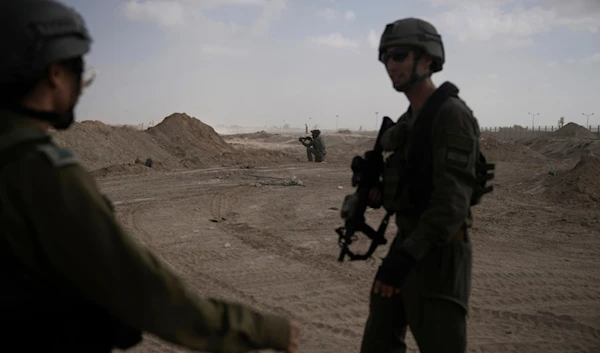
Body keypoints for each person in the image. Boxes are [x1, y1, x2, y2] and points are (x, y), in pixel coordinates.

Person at [0, 1, 299, 352]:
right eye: (79, 74)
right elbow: (142, 290)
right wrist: (262, 329)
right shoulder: (42, 174)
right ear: (54, 73)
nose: (80, 89)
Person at [359, 17, 491, 353]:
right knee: (378, 341)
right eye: (386, 57)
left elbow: (451, 206)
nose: (391, 65)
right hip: (408, 243)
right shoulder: (411, 119)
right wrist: (378, 191)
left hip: (438, 256)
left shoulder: (451, 116)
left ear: (429, 59)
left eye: (399, 55)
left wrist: (403, 258)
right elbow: (414, 187)